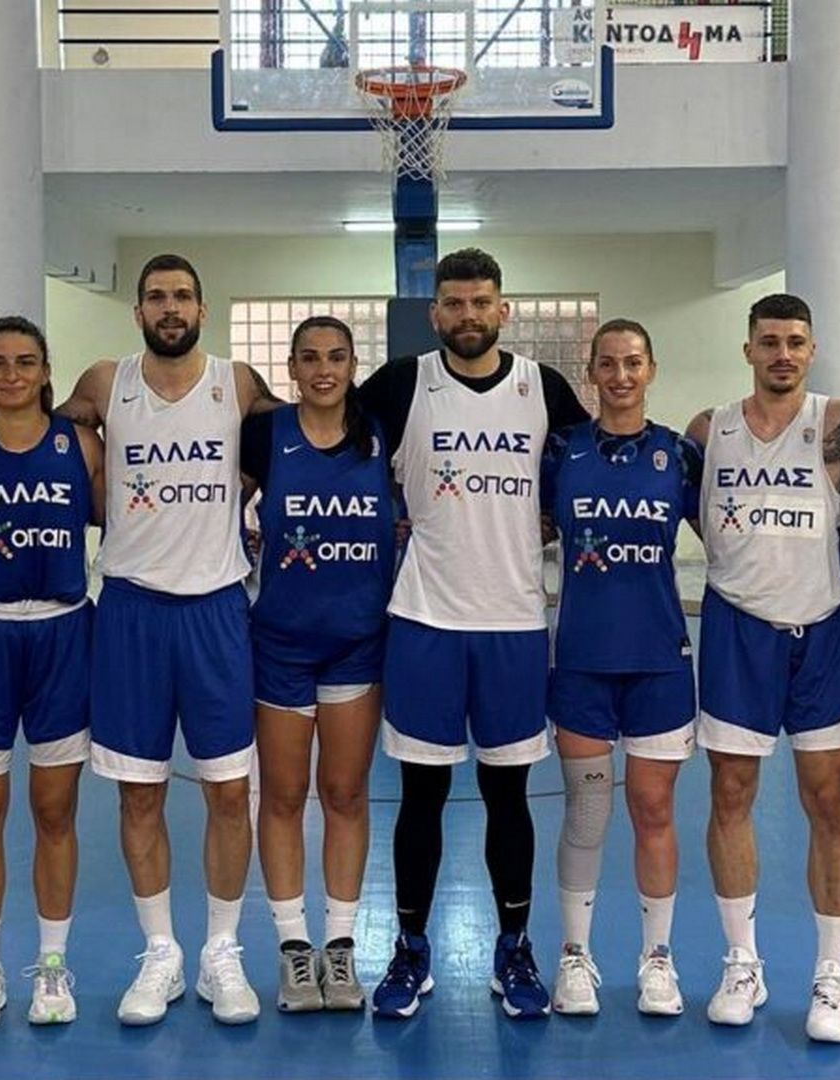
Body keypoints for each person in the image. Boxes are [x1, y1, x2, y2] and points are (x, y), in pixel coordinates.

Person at [354, 248, 591, 1021]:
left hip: (513, 621)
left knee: (507, 794)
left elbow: (588, 467)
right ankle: (411, 947)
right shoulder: (403, 383)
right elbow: (331, 441)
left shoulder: (541, 387)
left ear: (503, 310)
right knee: (421, 794)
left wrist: (555, 513)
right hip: (425, 618)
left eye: (481, 302)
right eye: (453, 303)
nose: (467, 315)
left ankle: (514, 946)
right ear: (435, 313)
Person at [54, 253, 282, 1026]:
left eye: (183, 295)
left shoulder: (236, 383)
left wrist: (249, 488)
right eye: (156, 297)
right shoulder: (104, 382)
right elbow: (47, 436)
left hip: (216, 609)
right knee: (139, 792)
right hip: (130, 611)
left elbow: (301, 438)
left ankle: (221, 950)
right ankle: (161, 952)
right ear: (139, 312)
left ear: (203, 309)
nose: (170, 307)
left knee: (229, 791)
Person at [684, 293, 840, 1044]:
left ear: (812, 349)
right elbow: (694, 514)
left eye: (795, 341)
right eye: (769, 342)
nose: (783, 354)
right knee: (731, 792)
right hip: (737, 631)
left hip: (821, 632)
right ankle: (743, 962)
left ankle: (832, 974)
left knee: (828, 800)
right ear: (748, 350)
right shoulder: (709, 432)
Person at [0, 316, 104, 1031]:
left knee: (55, 811)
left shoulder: (81, 446)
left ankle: (53, 965)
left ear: (45, 370)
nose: (11, 375)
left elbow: (127, 520)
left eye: (25, 362)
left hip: (63, 635)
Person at [542, 320, 703, 1017]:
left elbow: (730, 531)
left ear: (651, 369)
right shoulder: (561, 452)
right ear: (591, 372)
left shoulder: (679, 456)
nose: (620, 376)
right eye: (607, 364)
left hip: (659, 662)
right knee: (586, 809)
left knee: (653, 808)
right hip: (582, 660)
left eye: (633, 363)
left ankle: (656, 959)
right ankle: (574, 957)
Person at [239, 315, 395, 1012]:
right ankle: (293, 949)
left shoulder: (382, 434)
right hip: (281, 642)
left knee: (345, 795)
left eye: (336, 357)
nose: (324, 369)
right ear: (293, 369)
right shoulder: (266, 436)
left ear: (353, 364)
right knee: (281, 795)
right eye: (310, 358)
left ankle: (340, 946)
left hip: (356, 643)